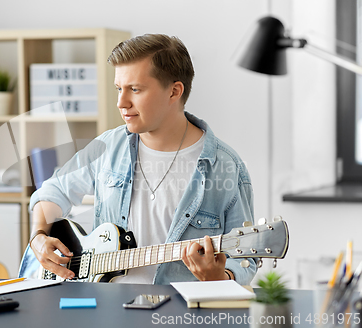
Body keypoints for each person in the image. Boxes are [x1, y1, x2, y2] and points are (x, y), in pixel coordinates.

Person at [19, 34, 256, 285]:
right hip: (106, 312)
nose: (122, 102)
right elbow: (52, 191)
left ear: (174, 91)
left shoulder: (227, 167)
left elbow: (245, 260)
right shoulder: (107, 146)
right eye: (119, 89)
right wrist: (39, 235)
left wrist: (219, 277)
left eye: (135, 89)